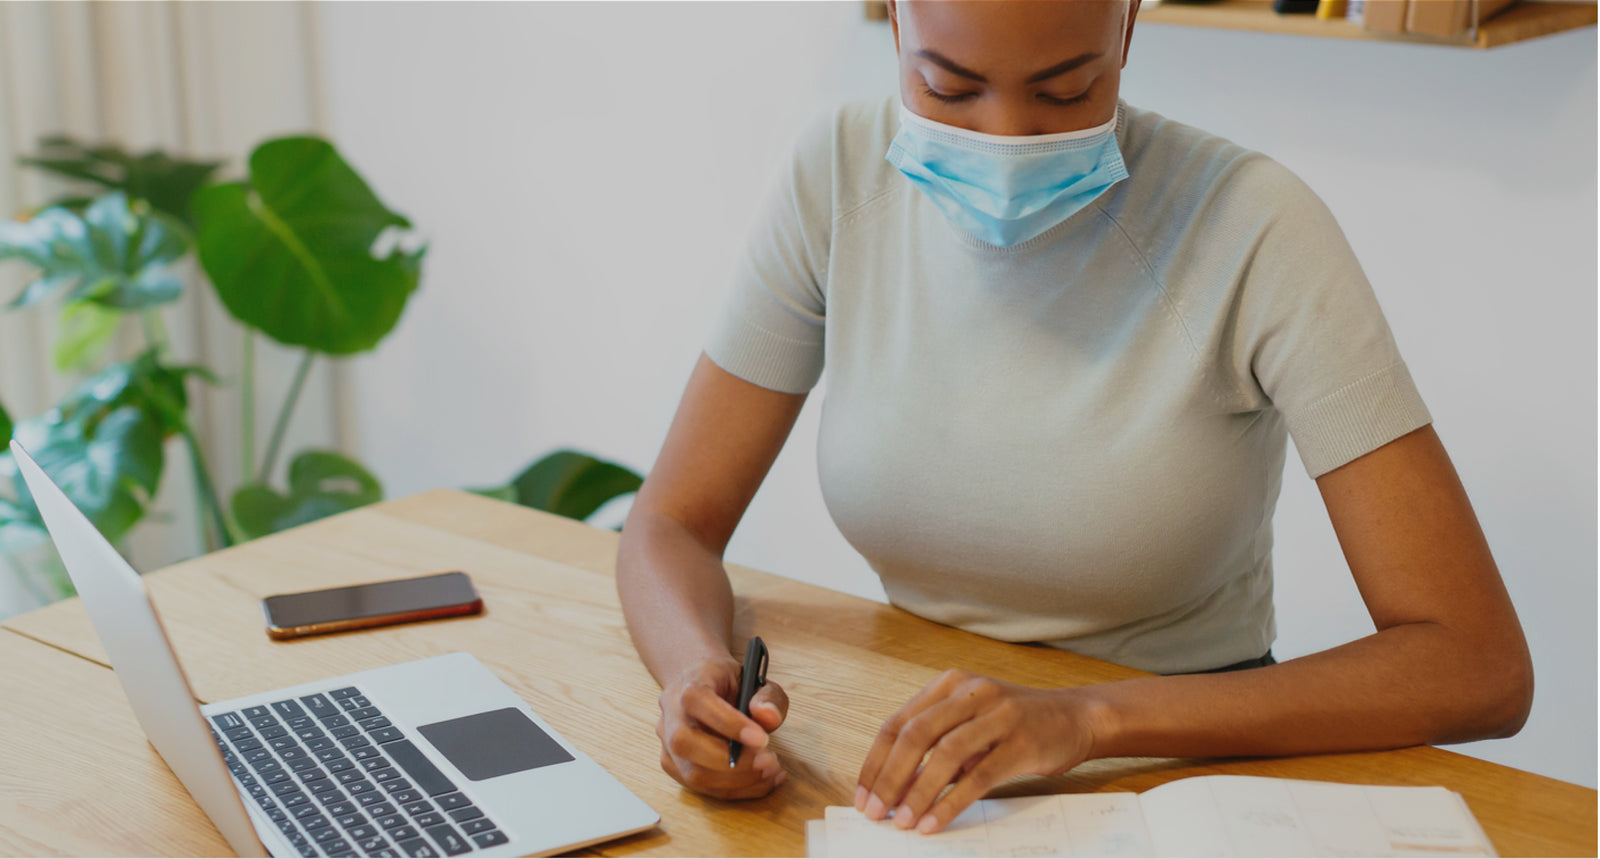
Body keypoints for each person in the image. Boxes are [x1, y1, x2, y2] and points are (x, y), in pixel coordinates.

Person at [614, 0, 1533, 836]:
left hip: (1186, 778)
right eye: (949, 86)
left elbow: (1477, 664)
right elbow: (670, 523)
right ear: (891, 17)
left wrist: (1087, 719)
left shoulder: (1257, 227)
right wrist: (693, 676)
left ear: (1129, 25)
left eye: (1066, 90)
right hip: (914, 768)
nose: (1007, 136)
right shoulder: (837, 180)